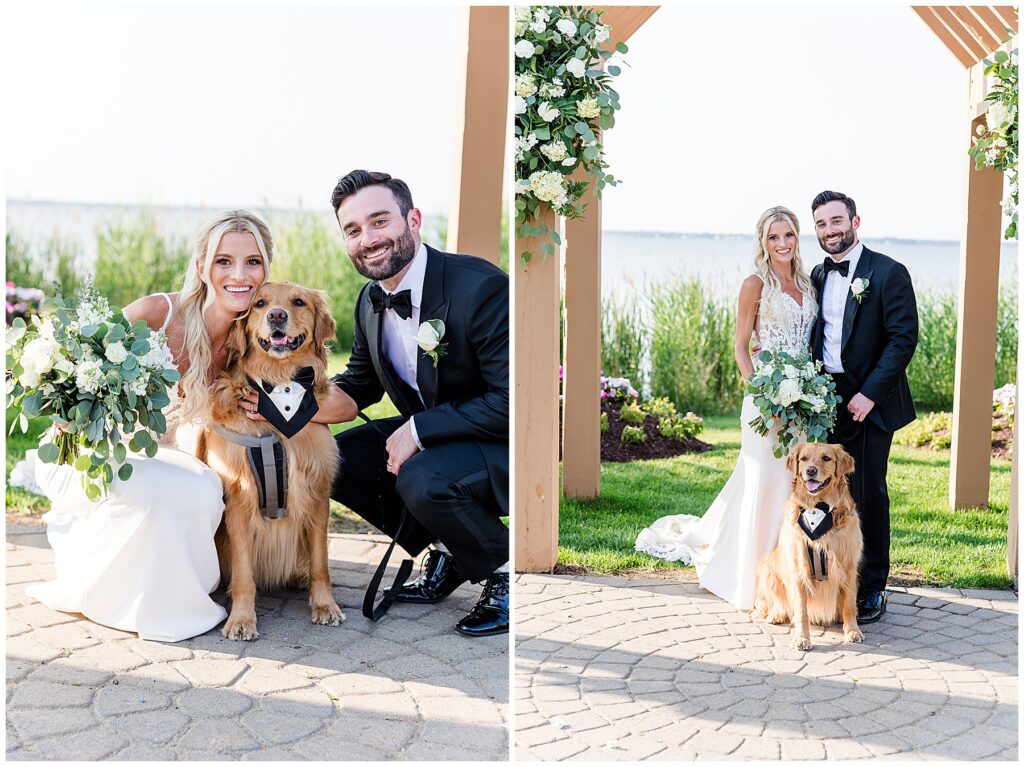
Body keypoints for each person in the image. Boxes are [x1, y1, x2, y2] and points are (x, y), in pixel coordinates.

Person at [243, 169, 509, 637]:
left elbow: (512, 402)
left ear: (414, 220)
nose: (368, 239)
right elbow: (359, 387)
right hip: (443, 438)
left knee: (421, 477)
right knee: (345, 460)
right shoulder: (371, 301)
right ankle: (451, 551)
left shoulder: (479, 288)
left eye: (380, 221)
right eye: (353, 230)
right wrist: (274, 402)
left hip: (500, 441)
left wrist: (417, 430)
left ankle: (504, 572)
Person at [12, 210, 274, 642]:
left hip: (176, 462)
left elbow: (324, 393)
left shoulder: (252, 342)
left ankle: (174, 595)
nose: (239, 274)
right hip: (96, 450)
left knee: (204, 490)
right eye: (224, 261)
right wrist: (67, 413)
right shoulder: (158, 312)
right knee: (159, 489)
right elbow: (77, 367)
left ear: (266, 269)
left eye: (253, 262)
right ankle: (129, 600)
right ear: (202, 267)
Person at [635, 206, 818, 610]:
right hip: (766, 397)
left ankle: (791, 571)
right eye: (774, 237)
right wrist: (763, 393)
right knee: (765, 478)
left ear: (797, 237)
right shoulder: (755, 284)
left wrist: (809, 391)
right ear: (762, 242)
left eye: (788, 235)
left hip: (804, 396)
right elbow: (740, 346)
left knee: (793, 484)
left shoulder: (808, 282)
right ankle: (751, 577)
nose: (782, 244)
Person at [809, 190, 917, 624]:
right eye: (821, 224)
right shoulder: (817, 274)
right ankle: (828, 580)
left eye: (836, 221)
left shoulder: (888, 272)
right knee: (819, 490)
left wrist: (870, 393)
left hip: (871, 402)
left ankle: (872, 588)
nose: (830, 230)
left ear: (855, 222)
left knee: (868, 492)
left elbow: (903, 337)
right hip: (824, 400)